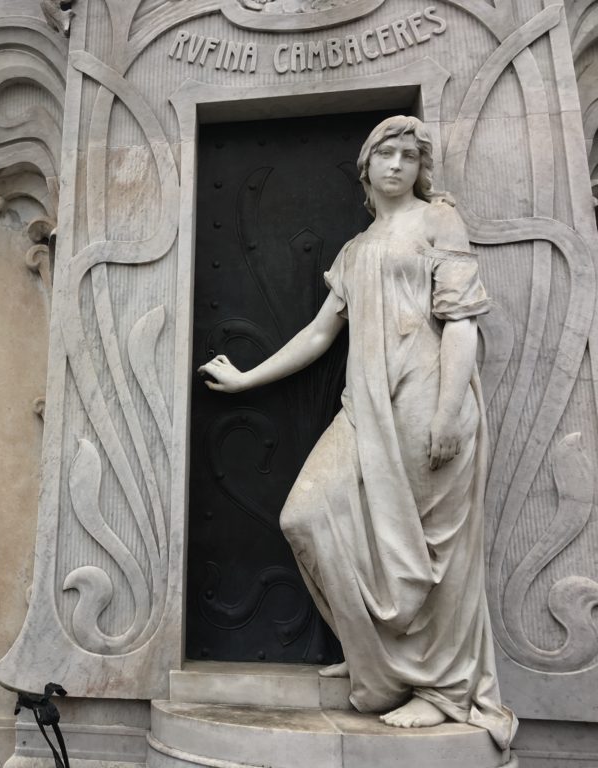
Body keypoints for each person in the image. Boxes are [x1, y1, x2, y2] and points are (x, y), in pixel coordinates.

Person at [198, 115, 517, 748]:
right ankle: (373, 653)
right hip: (366, 404)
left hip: (427, 399)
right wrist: (246, 379)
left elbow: (459, 322)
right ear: (365, 166)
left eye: (408, 155)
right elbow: (320, 334)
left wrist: (450, 409)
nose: (397, 164)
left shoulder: (438, 221)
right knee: (306, 515)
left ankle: (440, 691)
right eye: (385, 154)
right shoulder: (355, 248)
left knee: (434, 554)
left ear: (419, 168)